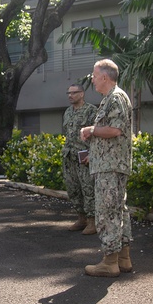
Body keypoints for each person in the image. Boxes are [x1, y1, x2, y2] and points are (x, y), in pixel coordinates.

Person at [80, 59, 134, 277]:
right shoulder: (110, 98)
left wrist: (92, 129)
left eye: (94, 75)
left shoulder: (115, 97)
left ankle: (109, 262)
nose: (92, 79)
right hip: (109, 164)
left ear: (104, 76)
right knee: (118, 210)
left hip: (111, 167)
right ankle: (123, 259)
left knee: (107, 212)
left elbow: (115, 130)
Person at [62, 84, 97, 234]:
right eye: (68, 93)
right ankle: (81, 218)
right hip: (69, 156)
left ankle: (92, 221)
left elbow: (97, 136)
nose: (70, 95)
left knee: (88, 188)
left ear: (82, 94)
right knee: (73, 188)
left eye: (74, 93)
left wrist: (92, 154)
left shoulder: (91, 111)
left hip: (84, 157)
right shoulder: (68, 112)